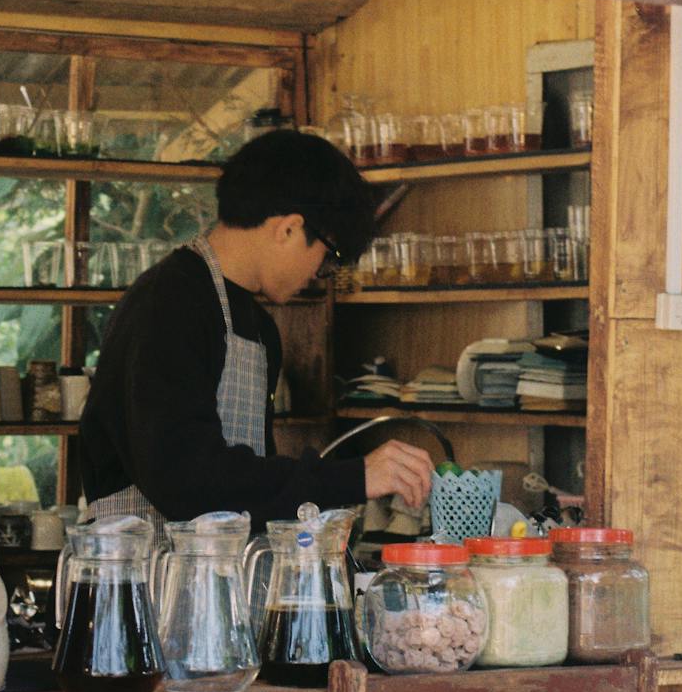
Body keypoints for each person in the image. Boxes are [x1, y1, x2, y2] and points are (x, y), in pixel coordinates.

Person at [76, 128, 435, 524]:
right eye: (328, 256)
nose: (320, 272)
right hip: (136, 575)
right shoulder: (168, 303)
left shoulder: (258, 326)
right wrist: (351, 477)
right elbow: (185, 481)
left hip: (220, 575)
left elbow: (247, 484)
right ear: (289, 229)